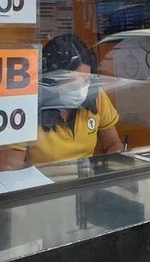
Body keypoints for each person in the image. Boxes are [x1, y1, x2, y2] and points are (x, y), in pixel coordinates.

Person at [9, 34, 123, 168]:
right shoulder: (26, 108)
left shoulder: (96, 96)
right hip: (44, 180)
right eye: (73, 82)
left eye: (86, 81)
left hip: (86, 177)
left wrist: (114, 160)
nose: (81, 89)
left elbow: (113, 144)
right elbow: (12, 167)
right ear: (51, 77)